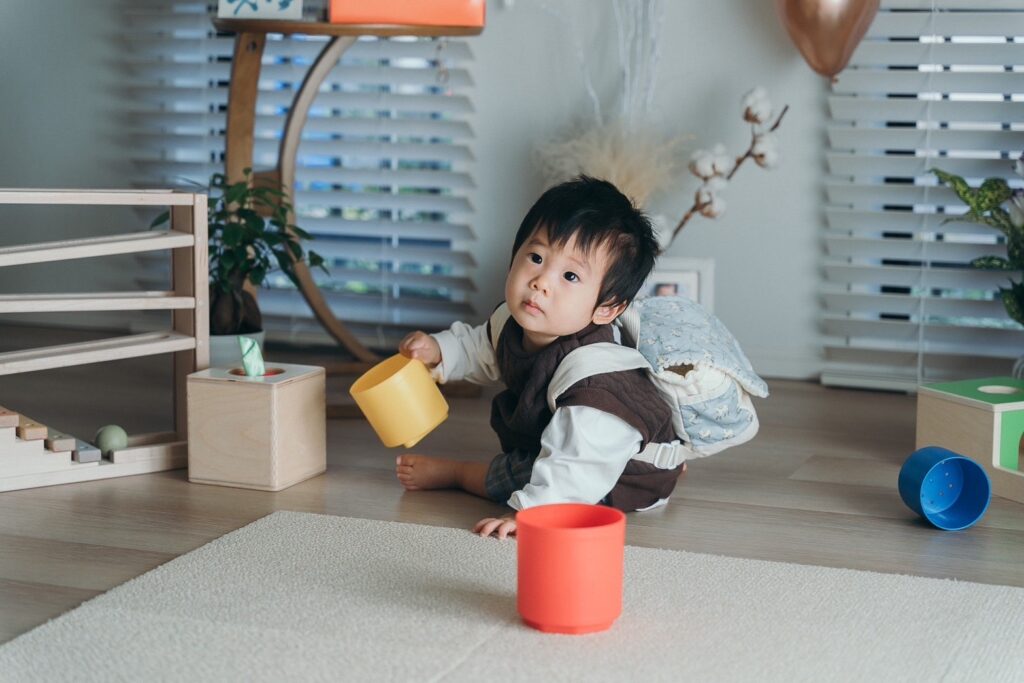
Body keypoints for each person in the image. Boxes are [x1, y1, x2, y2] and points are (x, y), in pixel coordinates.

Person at [396, 176, 684, 539]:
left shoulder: (597, 387)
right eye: (535, 257)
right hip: (573, 442)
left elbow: (576, 467)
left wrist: (531, 515)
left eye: (570, 275)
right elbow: (480, 347)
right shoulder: (514, 322)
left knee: (522, 476)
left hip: (619, 472)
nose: (541, 281)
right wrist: (437, 350)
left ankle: (457, 474)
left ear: (607, 309)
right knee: (544, 456)